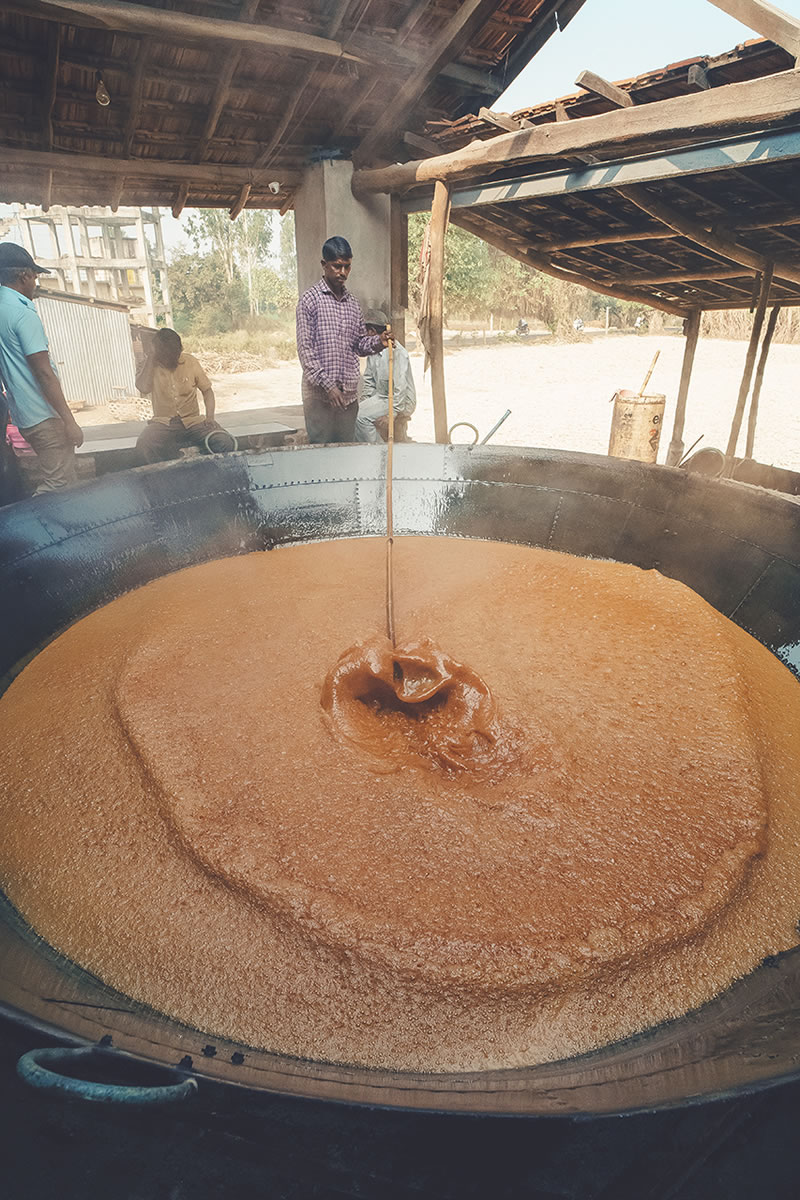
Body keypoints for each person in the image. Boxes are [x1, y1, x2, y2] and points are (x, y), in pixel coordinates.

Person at [0, 242, 84, 494]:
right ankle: (31, 526)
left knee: (63, 481)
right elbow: (44, 373)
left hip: (24, 415)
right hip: (44, 416)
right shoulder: (22, 313)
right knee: (58, 487)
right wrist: (69, 421)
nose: (35, 283)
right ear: (24, 275)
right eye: (35, 276)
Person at [296, 236, 392, 443]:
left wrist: (379, 342)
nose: (342, 273)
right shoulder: (309, 300)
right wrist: (328, 386)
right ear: (324, 265)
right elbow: (306, 351)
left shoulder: (353, 304)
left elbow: (359, 344)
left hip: (348, 399)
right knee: (322, 462)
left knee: (345, 457)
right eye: (336, 266)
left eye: (347, 267)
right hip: (319, 400)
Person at [134, 328, 234, 464]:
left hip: (193, 422)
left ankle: (205, 470)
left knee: (225, 441)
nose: (171, 359)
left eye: (175, 354)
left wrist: (210, 418)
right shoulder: (151, 365)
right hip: (163, 424)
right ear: (158, 353)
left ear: (180, 350)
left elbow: (207, 391)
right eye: (166, 356)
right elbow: (143, 388)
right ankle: (160, 478)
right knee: (144, 445)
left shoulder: (190, 361)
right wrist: (151, 358)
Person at [355, 310, 416, 444]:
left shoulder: (397, 352)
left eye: (364, 331)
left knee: (361, 418)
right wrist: (365, 403)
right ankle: (375, 445)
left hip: (400, 400)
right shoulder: (374, 350)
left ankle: (378, 451)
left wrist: (392, 413)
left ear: (371, 332)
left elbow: (400, 388)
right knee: (355, 413)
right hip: (382, 397)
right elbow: (369, 381)